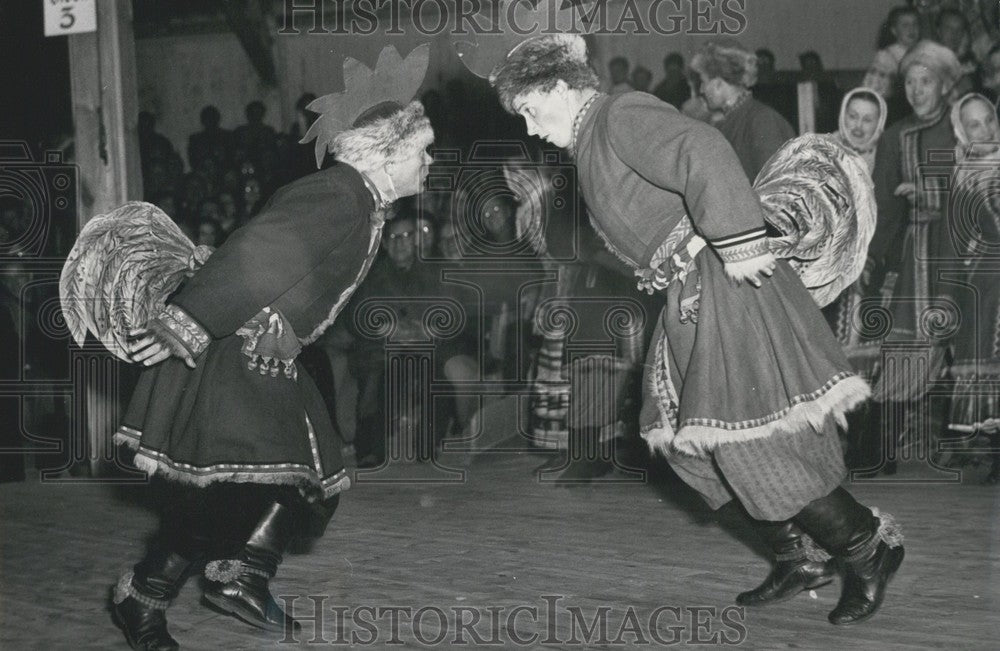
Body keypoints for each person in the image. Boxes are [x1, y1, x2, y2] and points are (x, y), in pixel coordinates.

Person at [469, 30, 903, 626]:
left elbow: (702, 148)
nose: (529, 127)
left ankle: (869, 548)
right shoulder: (590, 142)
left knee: (754, 442)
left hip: (727, 281)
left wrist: (739, 239)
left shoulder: (618, 113)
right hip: (690, 292)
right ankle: (797, 554)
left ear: (557, 87)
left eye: (528, 109)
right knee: (681, 443)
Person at [63, 46, 435, 650]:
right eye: (421, 149)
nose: (428, 161)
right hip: (228, 347)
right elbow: (260, 252)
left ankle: (215, 582)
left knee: (300, 482)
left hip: (261, 349)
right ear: (388, 153)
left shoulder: (362, 202)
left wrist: (289, 329)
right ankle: (164, 592)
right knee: (248, 491)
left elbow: (302, 284)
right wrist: (189, 320)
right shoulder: (341, 194)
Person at [868, 40, 962, 473]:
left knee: (972, 349)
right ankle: (879, 451)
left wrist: (934, 195)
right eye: (909, 81)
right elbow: (886, 212)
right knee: (905, 349)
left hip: (969, 255)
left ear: (945, 85)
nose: (916, 90)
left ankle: (974, 449)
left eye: (926, 81)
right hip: (920, 256)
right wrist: (874, 260)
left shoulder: (969, 130)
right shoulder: (894, 137)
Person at [944, 92, 1000, 483]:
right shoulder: (961, 176)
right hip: (985, 282)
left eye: (989, 120)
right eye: (974, 124)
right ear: (963, 132)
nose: (986, 130)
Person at [690, 41, 796, 181]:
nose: (701, 90)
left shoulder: (761, 120)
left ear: (718, 83)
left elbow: (777, 186)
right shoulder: (729, 119)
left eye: (704, 81)